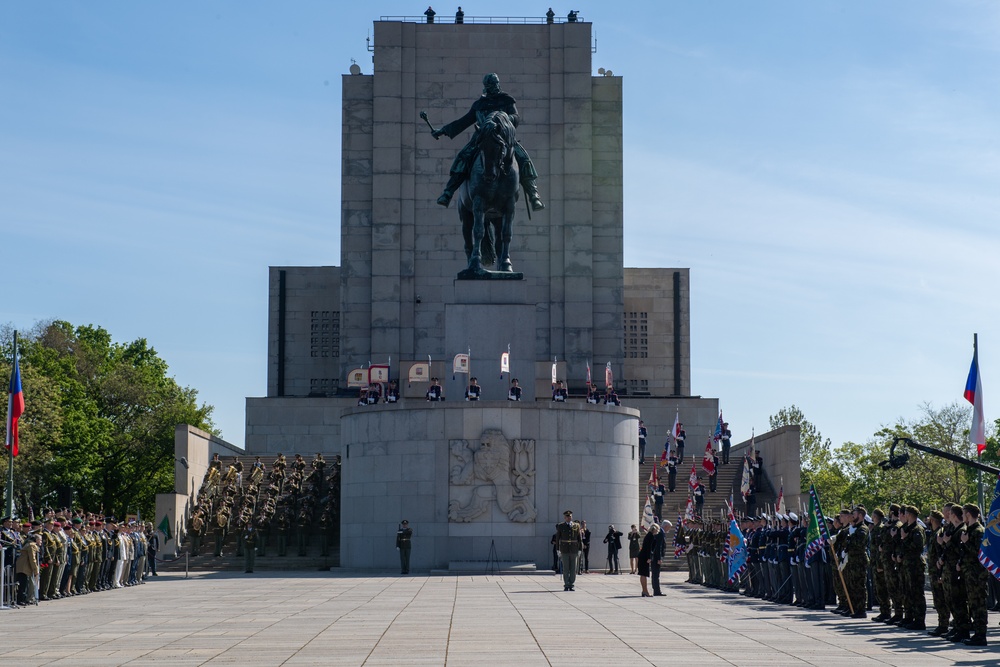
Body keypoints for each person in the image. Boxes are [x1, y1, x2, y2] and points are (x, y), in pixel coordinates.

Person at [432, 73, 545, 211]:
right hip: (481, 140)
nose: (493, 88)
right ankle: (448, 192)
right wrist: (443, 130)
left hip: (503, 139)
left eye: (495, 85)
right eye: (490, 86)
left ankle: (534, 195)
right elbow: (464, 122)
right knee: (463, 157)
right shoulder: (479, 104)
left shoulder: (507, 100)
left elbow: (516, 117)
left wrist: (503, 120)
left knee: (523, 157)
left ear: (498, 84)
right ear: (486, 87)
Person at [960, 503, 988, 645]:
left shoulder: (978, 531)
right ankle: (976, 633)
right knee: (973, 604)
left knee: (979, 604)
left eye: (964, 514)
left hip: (977, 574)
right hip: (969, 573)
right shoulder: (969, 530)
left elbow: (979, 554)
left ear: (969, 515)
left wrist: (966, 543)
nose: (962, 516)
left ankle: (981, 634)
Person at [555, 510, 583, 591]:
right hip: (564, 549)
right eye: (567, 517)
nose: (569, 518)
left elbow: (579, 539)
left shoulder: (576, 525)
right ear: (565, 517)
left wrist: (580, 549)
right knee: (566, 568)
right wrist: (558, 549)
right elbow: (557, 539)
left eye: (570, 516)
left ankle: (571, 584)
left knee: (573, 568)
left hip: (574, 549)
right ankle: (566, 584)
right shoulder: (561, 526)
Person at [638, 523, 660, 597]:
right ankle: (645, 591)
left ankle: (644, 590)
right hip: (644, 557)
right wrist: (649, 557)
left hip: (642, 556)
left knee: (642, 574)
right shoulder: (650, 536)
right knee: (644, 574)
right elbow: (649, 548)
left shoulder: (648, 535)